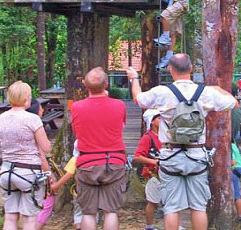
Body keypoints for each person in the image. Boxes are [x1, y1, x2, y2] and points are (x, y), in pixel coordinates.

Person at [126, 53, 237, 230]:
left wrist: (134, 79)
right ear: (191, 68)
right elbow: (233, 103)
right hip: (196, 155)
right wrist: (216, 88)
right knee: (198, 207)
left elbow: (138, 100)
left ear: (170, 69)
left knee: (171, 207)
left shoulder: (162, 92)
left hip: (171, 155)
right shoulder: (205, 93)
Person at [71, 67, 127, 230]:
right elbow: (121, 126)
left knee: (88, 212)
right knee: (111, 211)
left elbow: (77, 132)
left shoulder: (76, 107)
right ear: (107, 84)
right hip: (113, 162)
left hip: (87, 163)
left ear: (86, 86)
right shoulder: (119, 105)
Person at [0, 81, 52, 230]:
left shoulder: (1, 118)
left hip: (7, 171)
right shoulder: (31, 119)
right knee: (29, 219)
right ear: (27, 98)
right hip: (29, 173)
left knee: (10, 217)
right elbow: (46, 147)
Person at [140, 0, 188, 69]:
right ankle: (169, 56)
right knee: (173, 32)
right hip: (179, 3)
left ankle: (165, 37)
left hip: (180, 2)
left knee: (164, 16)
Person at [133, 109, 163, 230]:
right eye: (159, 118)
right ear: (152, 122)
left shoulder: (166, 136)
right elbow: (137, 157)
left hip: (167, 174)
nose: (162, 120)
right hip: (153, 175)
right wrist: (153, 162)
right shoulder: (147, 138)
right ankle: (149, 226)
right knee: (152, 201)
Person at [46, 142, 83, 230]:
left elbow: (68, 175)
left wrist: (55, 186)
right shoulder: (94, 158)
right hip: (93, 190)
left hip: (80, 191)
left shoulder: (75, 159)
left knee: (78, 213)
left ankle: (78, 227)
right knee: (92, 213)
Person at [231, 141, 241, 223]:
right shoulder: (234, 145)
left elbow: (233, 162)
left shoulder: (229, 146)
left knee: (236, 195)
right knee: (236, 194)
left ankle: (240, 215)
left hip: (234, 170)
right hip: (237, 170)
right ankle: (239, 215)